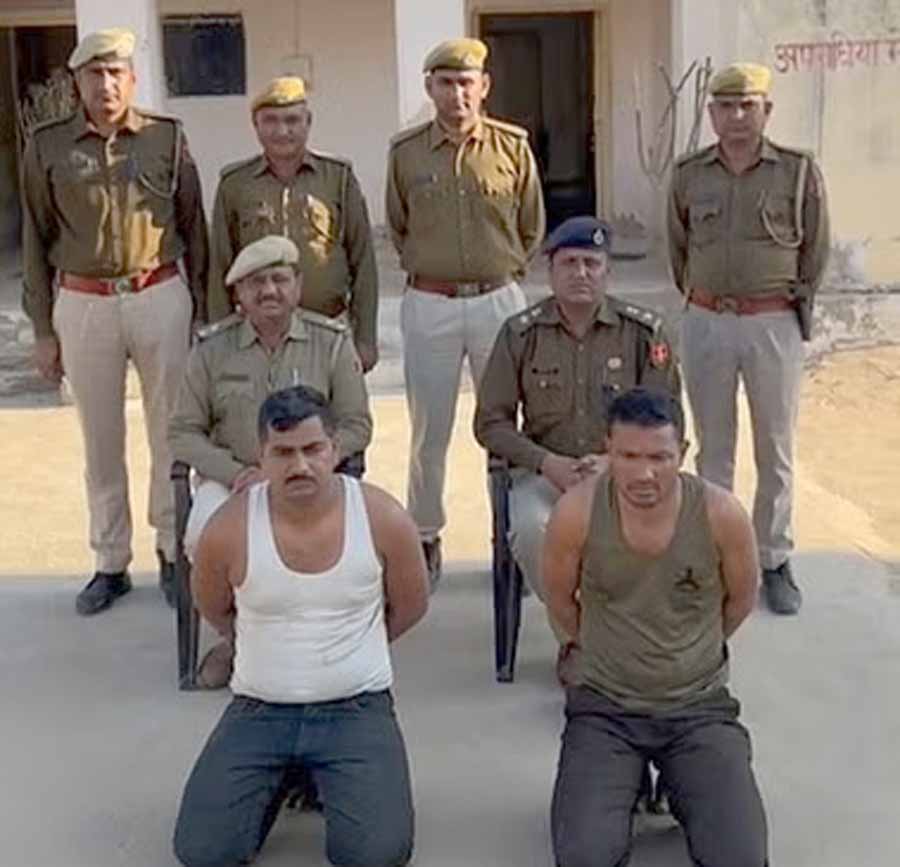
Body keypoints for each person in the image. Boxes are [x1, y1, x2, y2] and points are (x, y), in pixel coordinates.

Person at [173, 385, 427, 867]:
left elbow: (411, 605)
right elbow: (216, 608)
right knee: (202, 851)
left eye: (313, 449)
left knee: (376, 855)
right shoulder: (227, 529)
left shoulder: (383, 518)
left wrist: (353, 648)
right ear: (261, 456)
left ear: (335, 449)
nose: (300, 465)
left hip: (356, 707)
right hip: (259, 710)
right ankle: (282, 777)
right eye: (283, 453)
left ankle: (317, 774)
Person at [21, 28, 208, 615]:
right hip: (84, 302)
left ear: (132, 79)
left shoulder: (165, 138)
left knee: (170, 430)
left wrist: (204, 313)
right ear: (77, 82)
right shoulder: (48, 146)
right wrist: (43, 328)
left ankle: (173, 549)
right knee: (100, 439)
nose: (105, 84)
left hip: (159, 293)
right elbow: (35, 237)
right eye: (93, 74)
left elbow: (194, 227)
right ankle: (110, 560)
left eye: (115, 73)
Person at [544, 388, 768, 867]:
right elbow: (560, 602)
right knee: (584, 856)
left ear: (682, 453)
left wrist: (688, 654)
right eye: (628, 456)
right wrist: (605, 652)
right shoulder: (577, 513)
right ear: (607, 449)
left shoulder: (721, 515)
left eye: (659, 458)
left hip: (698, 707)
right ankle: (625, 786)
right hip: (606, 708)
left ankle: (682, 783)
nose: (644, 474)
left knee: (740, 858)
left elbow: (740, 600)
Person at [474, 216, 680, 683]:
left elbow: (668, 419)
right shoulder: (520, 334)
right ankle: (579, 639)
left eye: (591, 263)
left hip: (625, 475)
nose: (581, 273)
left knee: (660, 529)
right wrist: (546, 463)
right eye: (569, 263)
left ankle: (638, 637)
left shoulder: (643, 333)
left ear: (608, 271)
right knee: (531, 530)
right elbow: (490, 422)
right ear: (550, 271)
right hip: (545, 475)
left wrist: (616, 462)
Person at [169, 235, 372, 685]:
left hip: (313, 479)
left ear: (298, 285)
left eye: (279, 279)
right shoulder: (211, 349)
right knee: (202, 536)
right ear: (238, 294)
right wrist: (238, 473)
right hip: (235, 479)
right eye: (255, 283)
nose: (269, 291)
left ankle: (319, 642)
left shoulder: (331, 343)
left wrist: (314, 465)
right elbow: (182, 432)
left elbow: (356, 425)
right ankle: (238, 641)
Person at [667, 62, 830, 616]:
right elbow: (678, 249)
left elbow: (815, 251)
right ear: (711, 113)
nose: (736, 116)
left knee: (775, 447)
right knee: (713, 446)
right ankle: (718, 557)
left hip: (772, 321)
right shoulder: (689, 174)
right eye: (725, 106)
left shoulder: (797, 173)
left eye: (747, 106)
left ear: (766, 111)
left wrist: (784, 302)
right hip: (707, 320)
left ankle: (773, 558)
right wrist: (705, 299)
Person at [386, 37, 546, 586]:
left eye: (466, 82)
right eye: (446, 83)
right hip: (430, 302)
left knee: (506, 425)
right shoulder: (406, 153)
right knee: (429, 430)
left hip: (497, 302)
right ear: (430, 88)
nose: (457, 93)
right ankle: (425, 535)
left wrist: (500, 271)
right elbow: (399, 226)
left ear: (484, 86)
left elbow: (531, 225)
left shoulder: (512, 147)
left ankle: (512, 538)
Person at [208, 76, 379, 371]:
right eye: (270, 121)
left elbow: (363, 262)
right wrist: (220, 342)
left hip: (327, 329)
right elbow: (220, 266)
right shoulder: (234, 185)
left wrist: (365, 339)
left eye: (292, 120)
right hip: (258, 336)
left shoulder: (338, 178)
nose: (282, 131)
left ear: (308, 122)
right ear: (255, 125)